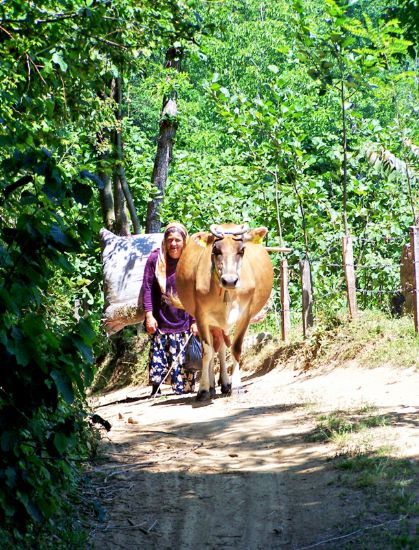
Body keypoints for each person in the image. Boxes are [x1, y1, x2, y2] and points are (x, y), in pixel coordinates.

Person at [142, 222, 198, 396]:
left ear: (185, 241)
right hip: (162, 318)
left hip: (185, 318)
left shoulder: (190, 261)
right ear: (165, 242)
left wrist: (196, 320)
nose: (173, 244)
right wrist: (149, 316)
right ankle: (157, 387)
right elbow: (147, 288)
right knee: (159, 355)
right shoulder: (155, 260)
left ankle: (183, 386)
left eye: (177, 240)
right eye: (170, 240)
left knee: (187, 387)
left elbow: (198, 290)